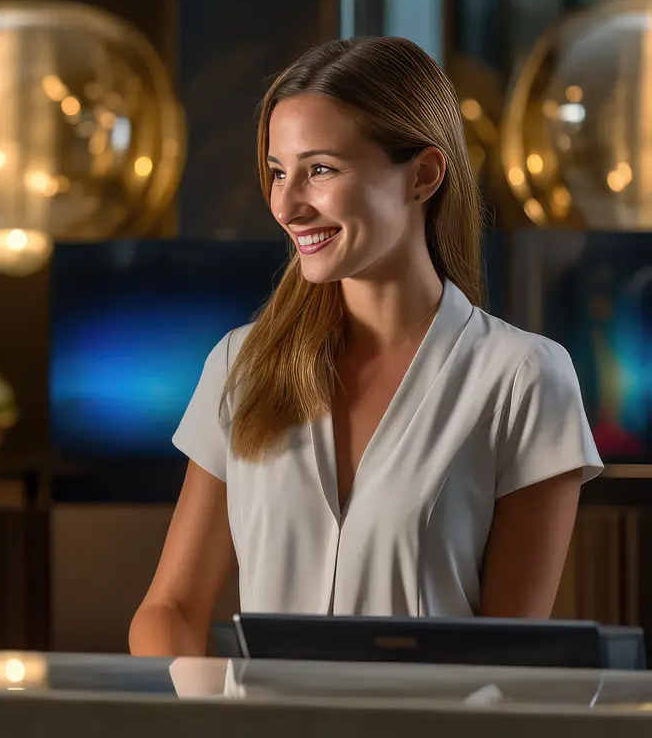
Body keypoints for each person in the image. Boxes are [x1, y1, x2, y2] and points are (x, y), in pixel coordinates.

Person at [129, 36, 602, 657]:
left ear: (424, 175)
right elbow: (170, 608)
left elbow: (508, 661)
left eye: (320, 170)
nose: (289, 205)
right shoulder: (238, 366)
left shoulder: (523, 377)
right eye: (278, 172)